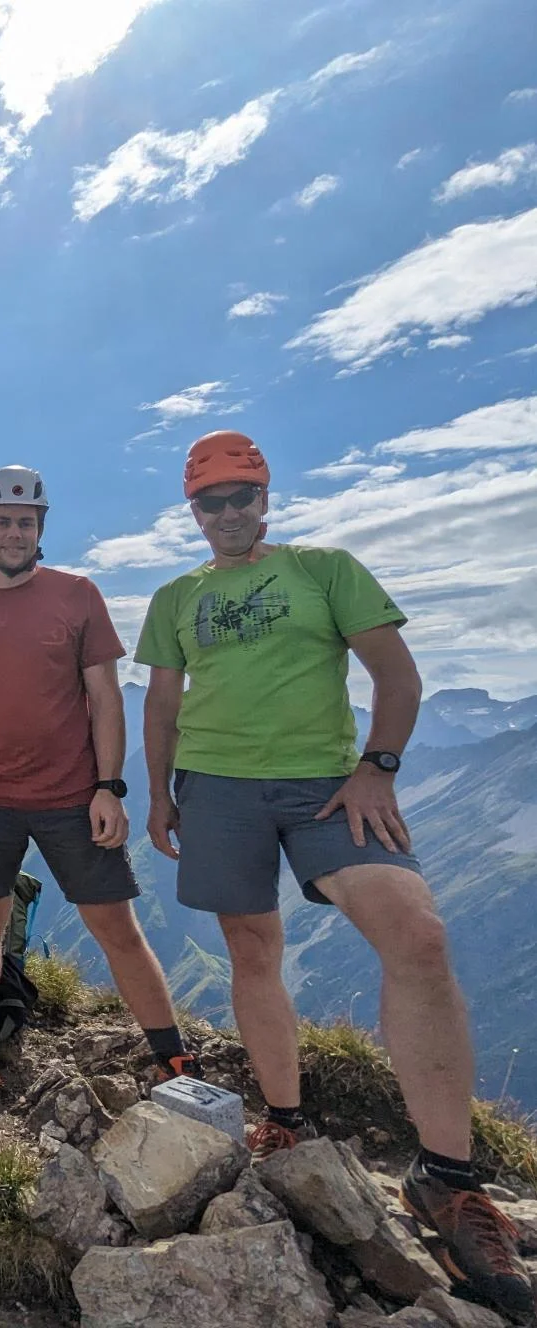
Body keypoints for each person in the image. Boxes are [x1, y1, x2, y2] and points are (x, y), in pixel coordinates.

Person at [138, 430, 533, 1321]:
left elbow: (395, 672)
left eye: (244, 495)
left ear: (266, 498)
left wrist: (377, 767)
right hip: (215, 787)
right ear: (193, 511)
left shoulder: (325, 568)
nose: (230, 512)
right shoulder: (175, 597)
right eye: (213, 501)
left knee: (417, 935)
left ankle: (448, 1177)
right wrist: (158, 796)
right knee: (251, 946)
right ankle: (284, 1113)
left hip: (329, 786)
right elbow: (164, 702)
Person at [0, 465, 198, 1126]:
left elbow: (104, 698)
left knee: (115, 926)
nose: (15, 532)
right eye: (4, 521)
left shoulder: (77, 595)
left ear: (40, 529)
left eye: (27, 522)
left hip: (71, 794)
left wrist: (109, 787)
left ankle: (172, 1059)